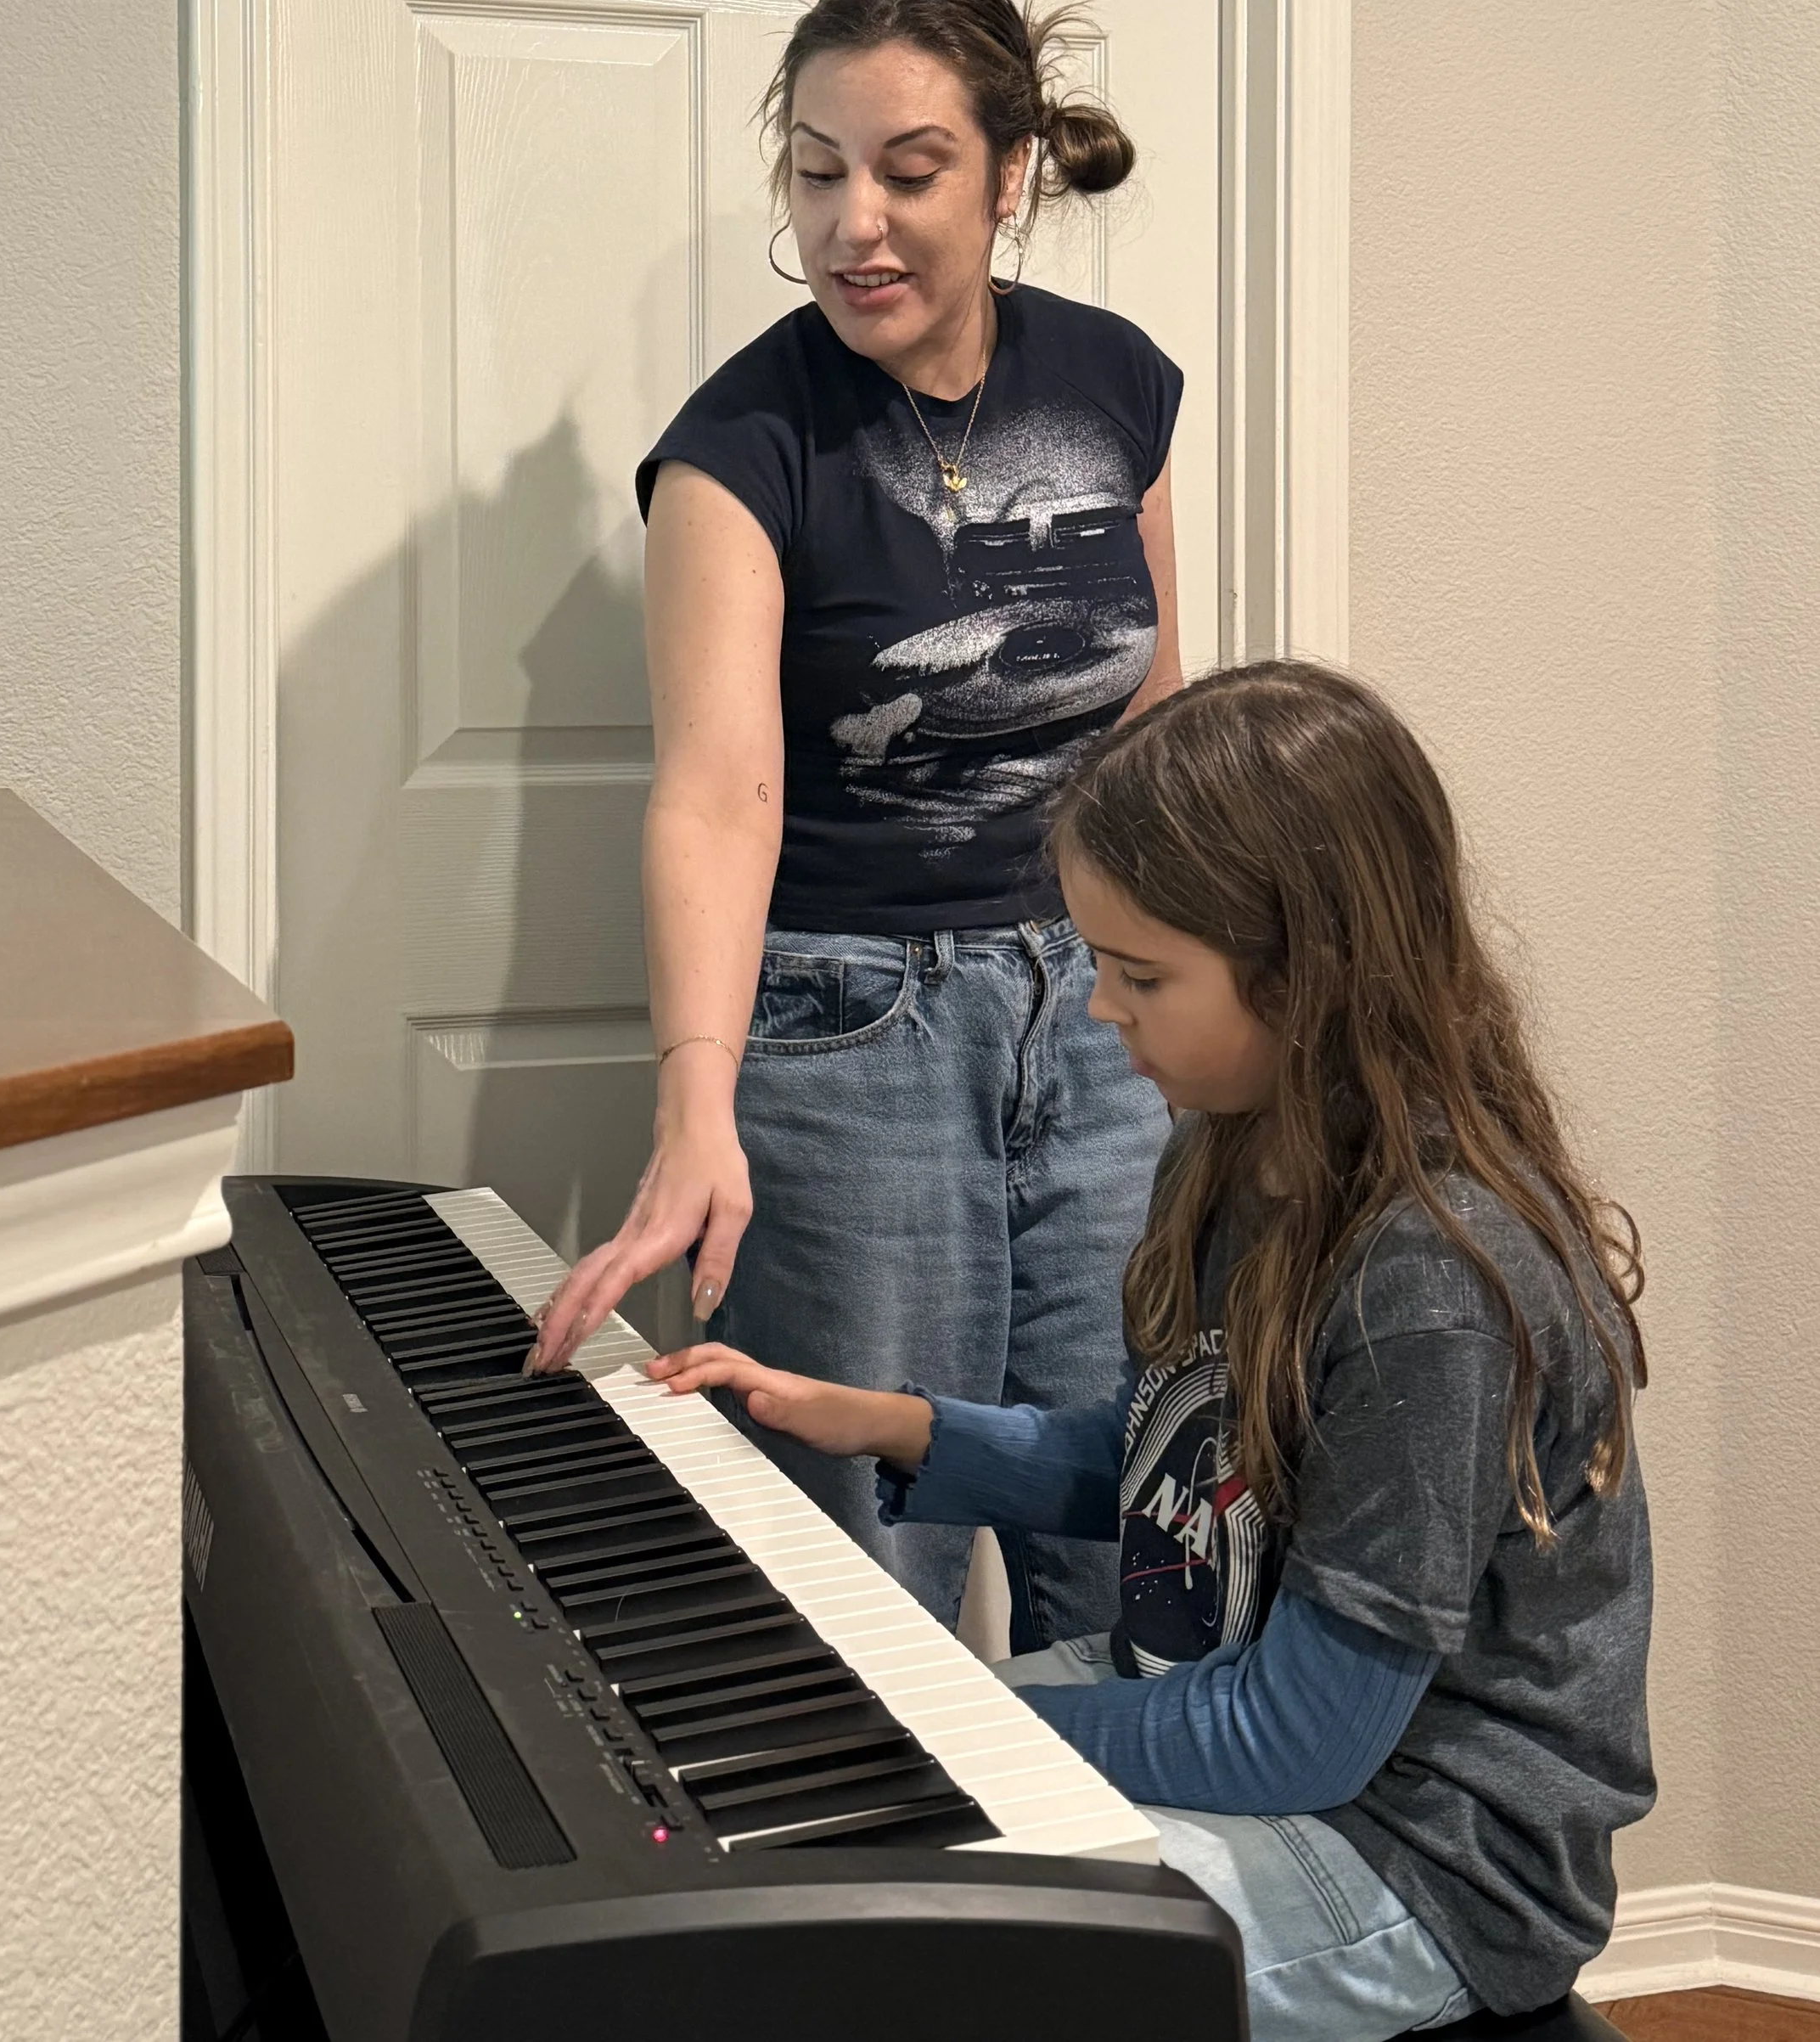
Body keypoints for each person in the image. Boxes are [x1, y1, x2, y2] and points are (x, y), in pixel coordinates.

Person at [645, 661, 1654, 2042]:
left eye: (1139, 975)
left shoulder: (1428, 1288)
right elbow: (1167, 1462)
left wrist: (954, 1728)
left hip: (1424, 1854)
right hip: (1249, 1714)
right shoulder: (1234, 1152)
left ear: (1307, 974)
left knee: (903, 1959)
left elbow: (1302, 1737)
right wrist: (893, 1426)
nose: (1099, 1011)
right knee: (804, 1837)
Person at [530, 0, 1185, 1647]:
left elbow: (1152, 728)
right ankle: (874, 1916)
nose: (853, 223)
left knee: (1145, 1525)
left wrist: (1225, 1010)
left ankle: (1133, 1908)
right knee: (849, 1578)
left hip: (1106, 1019)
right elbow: (716, 793)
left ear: (1008, 171)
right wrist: (694, 1106)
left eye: (905, 170)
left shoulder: (1114, 384)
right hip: (849, 1031)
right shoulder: (737, 445)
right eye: (816, 171)